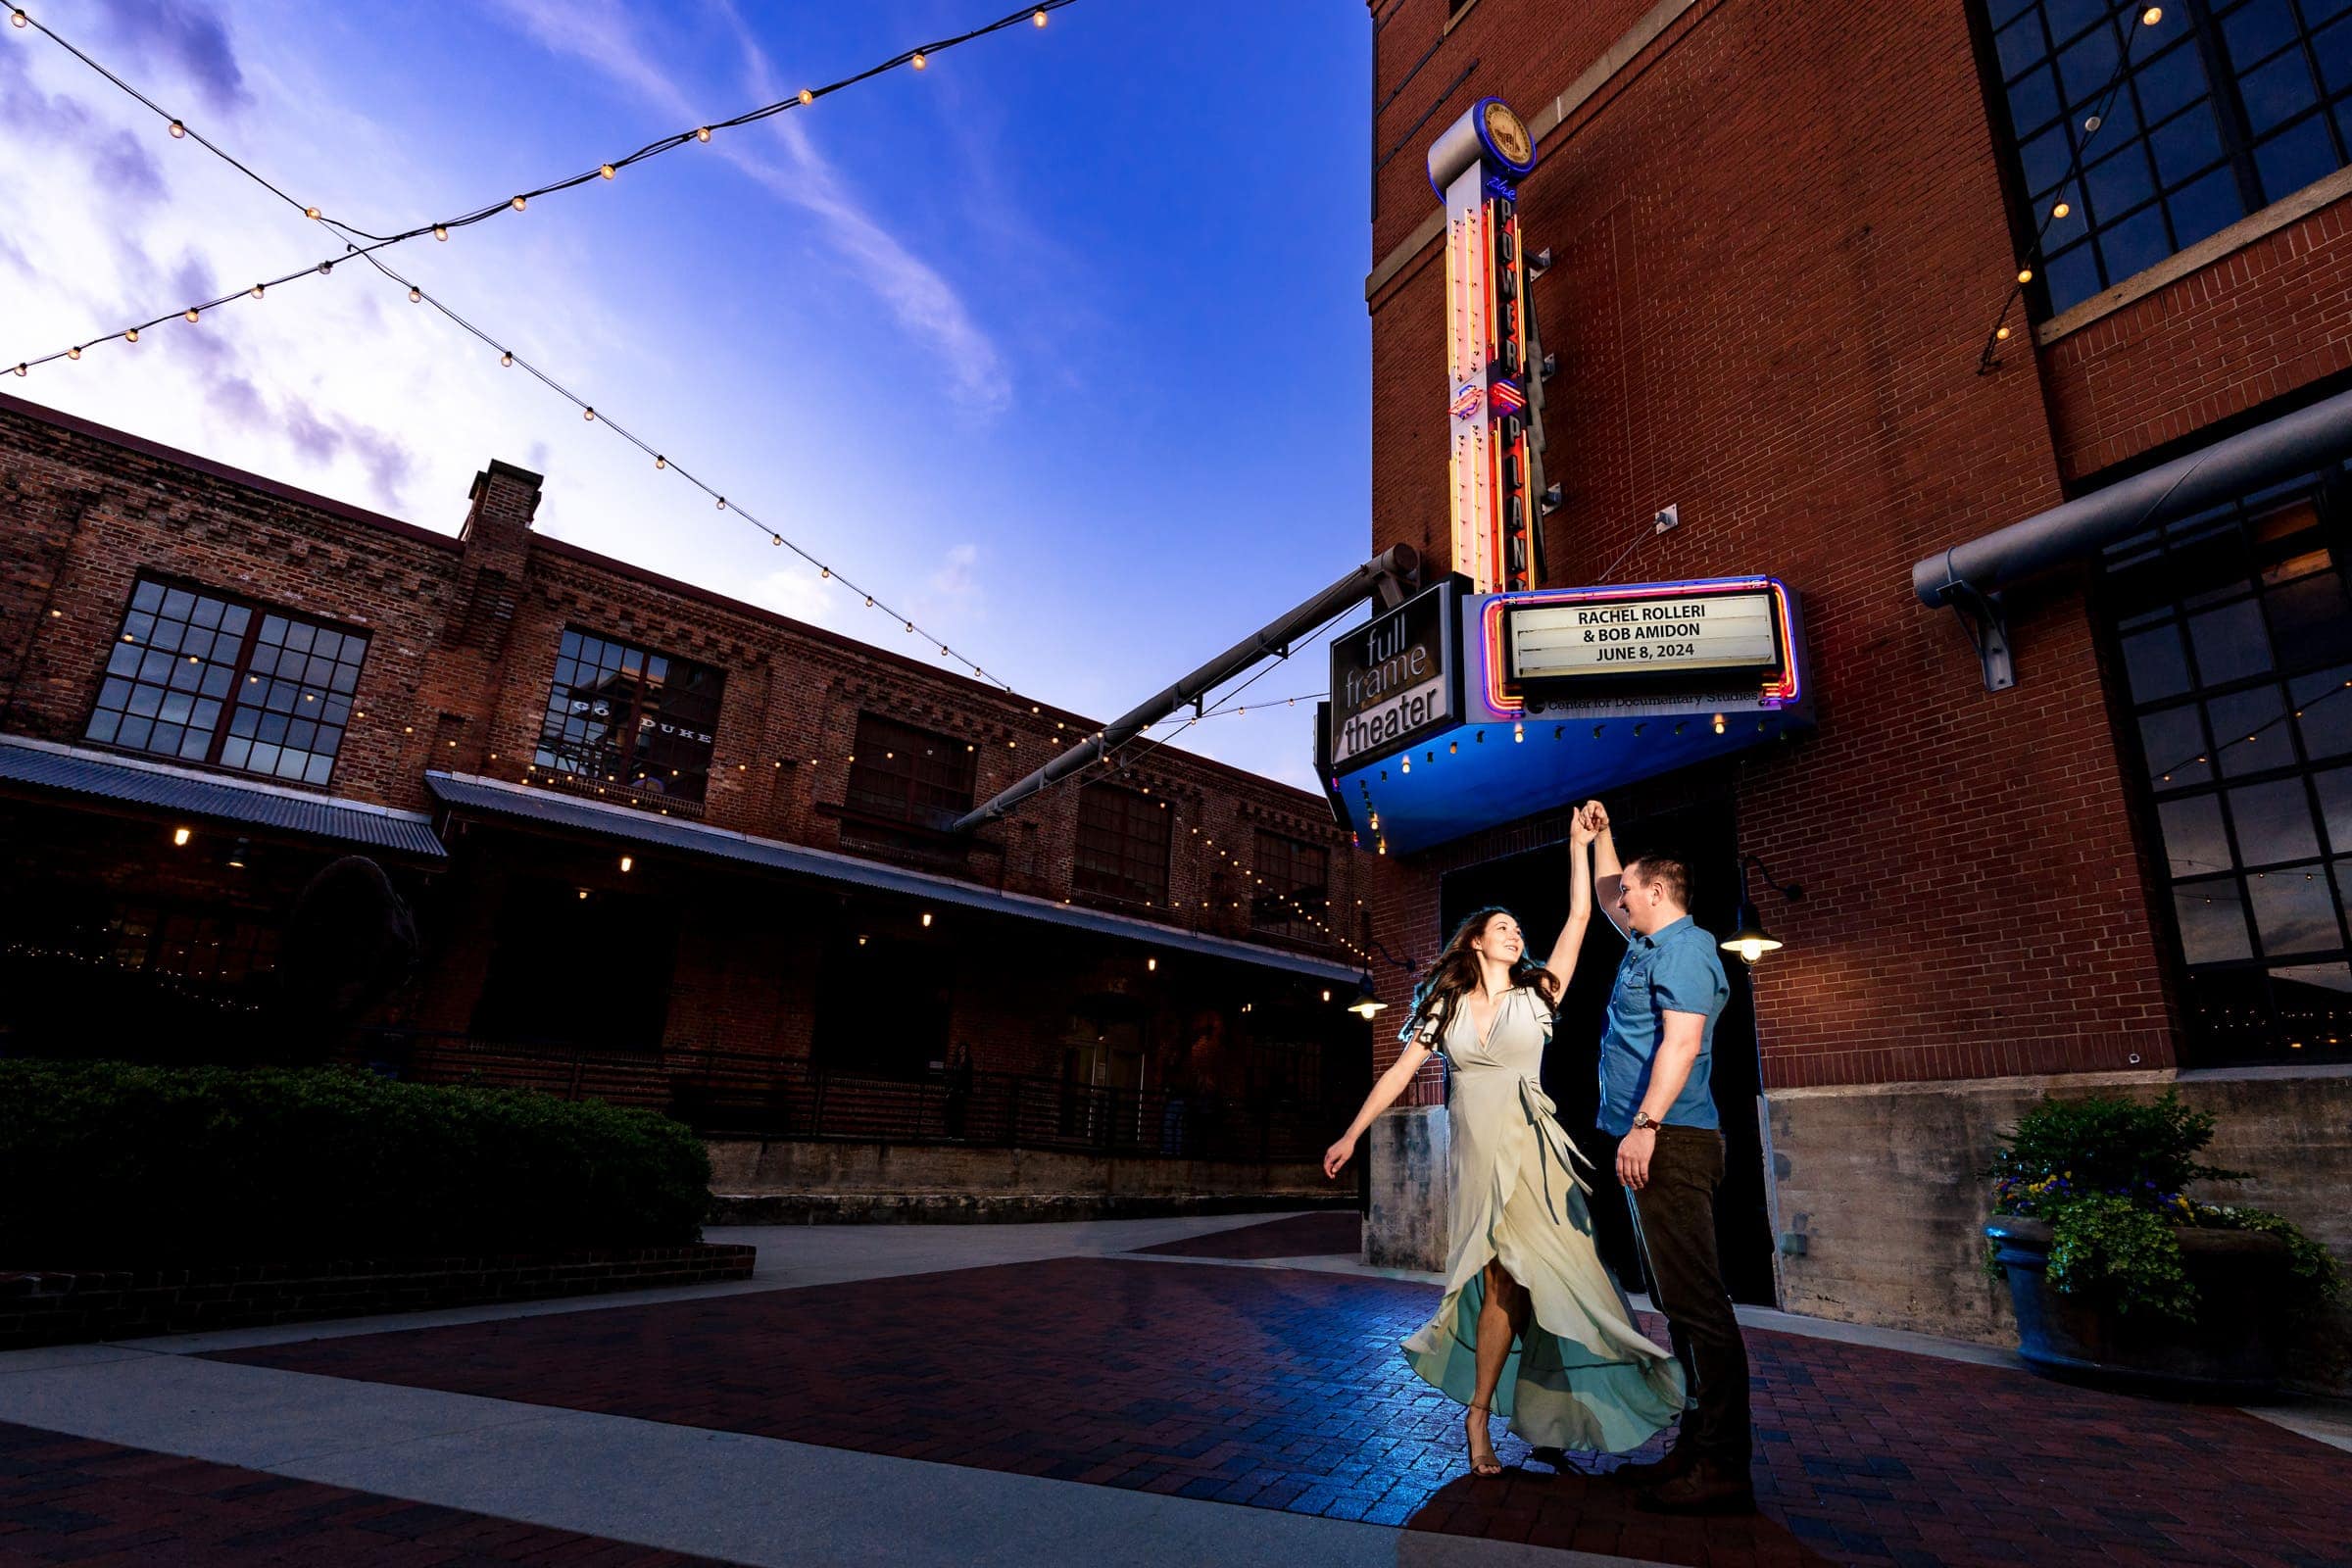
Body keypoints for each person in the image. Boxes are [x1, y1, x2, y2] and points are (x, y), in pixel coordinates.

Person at [1323, 808, 1683, 1476]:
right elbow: (1401, 1071)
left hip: (1534, 1159)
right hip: (1477, 1162)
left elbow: (1578, 921)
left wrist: (1578, 847)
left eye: (1519, 929)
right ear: (1477, 944)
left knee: (1564, 1280)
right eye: (1504, 929)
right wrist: (1352, 1133)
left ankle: (1620, 1380)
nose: (1517, 935)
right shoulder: (1446, 1006)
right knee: (1500, 1291)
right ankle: (1480, 1416)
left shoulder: (1539, 993)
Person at [1585, 799, 1752, 1516]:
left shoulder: (1688, 948)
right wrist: (1601, 838)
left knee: (1699, 1306)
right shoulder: (1648, 945)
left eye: (1631, 889)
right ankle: (1696, 1446)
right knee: (1676, 1303)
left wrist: (1647, 1124)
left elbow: (1681, 1043)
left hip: (1672, 1141)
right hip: (1652, 1142)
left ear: (1658, 892)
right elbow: (1603, 894)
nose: (1620, 896)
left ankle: (1722, 1466)